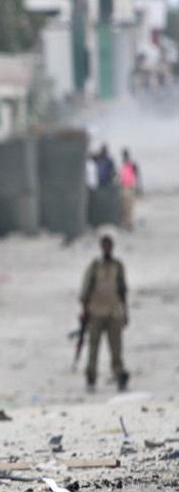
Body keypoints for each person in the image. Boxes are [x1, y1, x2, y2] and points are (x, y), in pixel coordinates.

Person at [80, 235, 129, 392]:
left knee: (116, 348)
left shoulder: (118, 266)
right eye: (105, 246)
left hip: (114, 313)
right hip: (96, 313)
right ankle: (91, 377)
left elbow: (123, 291)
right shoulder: (95, 267)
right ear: (102, 247)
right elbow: (85, 291)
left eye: (109, 246)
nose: (107, 249)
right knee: (93, 348)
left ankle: (119, 375)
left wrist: (125, 313)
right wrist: (85, 311)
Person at [119, 149, 141, 231]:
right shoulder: (124, 165)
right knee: (124, 207)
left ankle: (129, 224)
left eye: (125, 156)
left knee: (129, 207)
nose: (124, 157)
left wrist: (138, 187)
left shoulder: (132, 165)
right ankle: (126, 224)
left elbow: (137, 176)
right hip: (124, 187)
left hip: (130, 187)